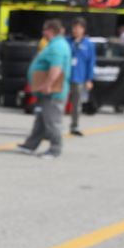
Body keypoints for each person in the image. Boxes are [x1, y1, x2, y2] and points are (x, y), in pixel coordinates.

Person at [17, 19, 71, 158]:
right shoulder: (54, 44)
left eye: (45, 29)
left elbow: (56, 68)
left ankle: (55, 149)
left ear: (51, 30)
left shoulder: (57, 46)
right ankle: (30, 145)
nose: (43, 32)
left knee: (53, 121)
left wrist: (48, 85)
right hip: (47, 92)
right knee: (41, 119)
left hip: (53, 92)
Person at [66, 17, 95, 137]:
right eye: (73, 28)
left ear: (83, 29)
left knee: (77, 105)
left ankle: (75, 126)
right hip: (66, 77)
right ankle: (54, 128)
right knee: (60, 104)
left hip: (79, 78)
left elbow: (91, 62)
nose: (75, 31)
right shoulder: (67, 41)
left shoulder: (88, 45)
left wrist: (89, 79)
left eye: (77, 28)